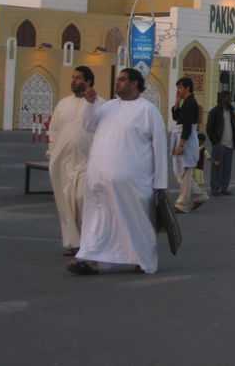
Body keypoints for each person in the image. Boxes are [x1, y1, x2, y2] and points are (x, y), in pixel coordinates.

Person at [67, 68, 168, 275]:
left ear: (135, 84)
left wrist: (160, 184)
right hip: (100, 179)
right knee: (99, 220)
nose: (118, 83)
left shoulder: (148, 110)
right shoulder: (108, 106)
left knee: (136, 223)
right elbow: (87, 125)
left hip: (134, 183)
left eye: (122, 80)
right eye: (118, 79)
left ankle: (143, 260)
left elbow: (159, 147)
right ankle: (91, 259)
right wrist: (89, 103)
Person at [48, 66, 105, 256]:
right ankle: (73, 243)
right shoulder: (63, 104)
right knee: (65, 202)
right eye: (72, 77)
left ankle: (89, 240)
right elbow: (54, 129)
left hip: (87, 161)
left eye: (78, 78)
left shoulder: (100, 104)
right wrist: (51, 148)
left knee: (82, 198)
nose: (73, 80)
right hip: (62, 161)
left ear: (88, 81)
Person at [171, 77, 208, 213]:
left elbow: (186, 124)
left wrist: (181, 144)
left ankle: (182, 204)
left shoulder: (191, 102)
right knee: (181, 171)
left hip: (186, 139)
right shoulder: (185, 102)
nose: (178, 90)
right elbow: (177, 117)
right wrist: (177, 102)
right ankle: (200, 195)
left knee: (185, 170)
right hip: (183, 137)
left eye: (180, 87)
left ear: (187, 88)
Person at [207, 90, 235, 196]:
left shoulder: (231, 112)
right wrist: (215, 142)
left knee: (227, 168)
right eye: (229, 97)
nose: (230, 99)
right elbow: (209, 128)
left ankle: (224, 187)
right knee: (217, 167)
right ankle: (215, 188)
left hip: (229, 144)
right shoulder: (215, 112)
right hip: (219, 144)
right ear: (223, 98)